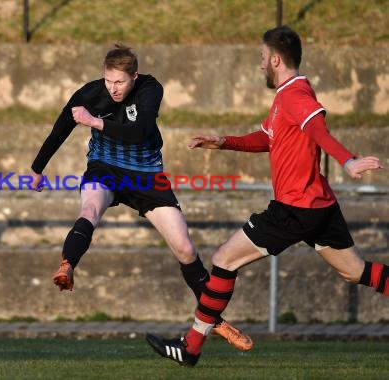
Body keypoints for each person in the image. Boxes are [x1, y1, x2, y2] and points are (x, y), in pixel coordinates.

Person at [146, 25, 387, 367]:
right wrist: (224, 141)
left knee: (224, 259)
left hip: (293, 209)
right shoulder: (287, 96)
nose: (260, 65)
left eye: (262, 58)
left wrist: (347, 160)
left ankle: (191, 346)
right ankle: (193, 345)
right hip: (319, 205)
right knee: (356, 272)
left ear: (275, 59)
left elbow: (318, 128)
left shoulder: (295, 96)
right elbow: (266, 137)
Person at [29, 44, 253, 351]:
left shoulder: (150, 89)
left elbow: (138, 131)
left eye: (119, 82)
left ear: (134, 76)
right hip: (104, 166)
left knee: (186, 249)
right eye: (108, 81)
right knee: (90, 210)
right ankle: (67, 265)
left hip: (146, 175)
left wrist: (94, 122)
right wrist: (37, 168)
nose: (113, 88)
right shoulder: (91, 93)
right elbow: (61, 127)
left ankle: (215, 322)